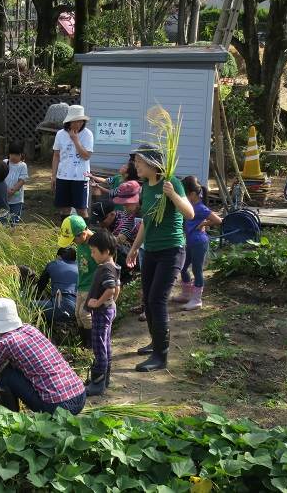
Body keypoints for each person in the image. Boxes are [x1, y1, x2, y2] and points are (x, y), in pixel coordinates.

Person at [125, 144, 194, 372]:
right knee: (148, 300)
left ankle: (160, 356)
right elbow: (146, 220)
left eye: (139, 162)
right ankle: (155, 342)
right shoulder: (146, 186)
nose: (136, 166)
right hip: (151, 250)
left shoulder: (171, 182)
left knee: (157, 300)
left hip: (172, 250)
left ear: (153, 164)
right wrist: (135, 247)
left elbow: (189, 213)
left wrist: (173, 194)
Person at [0, 298, 86, 415]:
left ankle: (12, 420)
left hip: (60, 407)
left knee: (8, 376)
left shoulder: (5, 343)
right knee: (10, 371)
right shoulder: (29, 329)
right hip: (80, 395)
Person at [173, 176, 222, 311]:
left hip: (199, 242)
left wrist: (204, 223)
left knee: (197, 270)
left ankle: (196, 299)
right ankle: (186, 294)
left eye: (184, 194)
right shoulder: (190, 206)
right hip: (189, 242)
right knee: (183, 268)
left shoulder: (200, 208)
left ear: (193, 194)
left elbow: (218, 220)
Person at [84, 230, 121, 396]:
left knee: (99, 345)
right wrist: (112, 303)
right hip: (108, 309)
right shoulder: (114, 267)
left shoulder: (105, 269)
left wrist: (98, 302)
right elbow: (117, 288)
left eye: (93, 251)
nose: (92, 255)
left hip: (102, 311)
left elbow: (111, 289)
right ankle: (104, 378)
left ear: (106, 251)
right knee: (105, 344)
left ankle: (98, 383)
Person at [57, 215, 95, 348]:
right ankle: (84, 345)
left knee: (86, 315)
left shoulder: (96, 243)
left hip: (92, 286)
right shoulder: (81, 243)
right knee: (78, 315)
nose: (73, 242)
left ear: (83, 233)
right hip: (81, 285)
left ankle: (91, 346)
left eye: (74, 239)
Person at [51, 105, 93, 220]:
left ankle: (84, 236)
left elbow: (86, 156)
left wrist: (75, 140)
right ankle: (66, 234)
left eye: (81, 121)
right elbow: (56, 155)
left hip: (80, 177)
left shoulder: (87, 134)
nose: (79, 124)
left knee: (81, 209)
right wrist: (53, 176)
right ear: (69, 121)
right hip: (63, 176)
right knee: (64, 208)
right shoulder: (60, 134)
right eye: (76, 121)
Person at [33, 246, 78, 326]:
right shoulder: (81, 266)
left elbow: (40, 287)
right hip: (82, 307)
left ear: (58, 256)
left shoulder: (53, 264)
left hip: (63, 307)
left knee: (27, 304)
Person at [4, 141, 29, 224]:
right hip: (4, 196)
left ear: (21, 154)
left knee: (14, 218)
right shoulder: (5, 162)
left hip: (16, 198)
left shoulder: (22, 166)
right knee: (3, 217)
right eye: (12, 154)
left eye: (16, 155)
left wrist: (13, 190)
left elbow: (22, 180)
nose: (14, 157)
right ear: (9, 153)